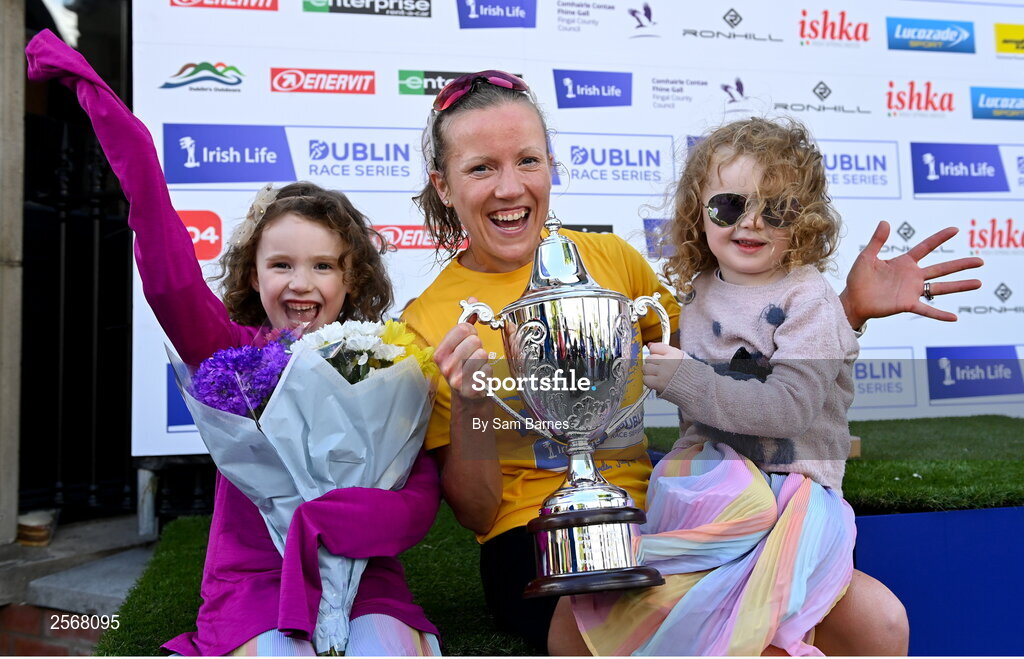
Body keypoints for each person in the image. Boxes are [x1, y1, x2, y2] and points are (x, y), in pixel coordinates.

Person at [401, 71, 983, 654]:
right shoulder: (429, 321)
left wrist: (844, 310)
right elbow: (478, 514)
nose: (510, 187)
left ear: (551, 165)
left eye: (528, 160)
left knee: (879, 622)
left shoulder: (612, 261)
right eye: (481, 168)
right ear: (444, 185)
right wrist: (473, 402)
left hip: (672, 512)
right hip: (542, 539)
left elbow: (727, 368)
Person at [25, 30, 442, 656]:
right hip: (255, 586)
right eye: (282, 265)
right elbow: (168, 280)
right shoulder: (232, 351)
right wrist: (106, 110)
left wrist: (332, 522)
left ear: (351, 277)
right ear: (253, 274)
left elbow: (419, 496)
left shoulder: (387, 361)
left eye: (324, 266)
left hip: (367, 580)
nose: (302, 284)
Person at [558, 116, 860, 655]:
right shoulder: (694, 292)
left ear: (806, 220)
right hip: (706, 486)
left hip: (789, 494)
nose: (751, 223)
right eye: (729, 206)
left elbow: (789, 409)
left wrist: (687, 380)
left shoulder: (810, 298)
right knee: (593, 612)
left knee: (749, 630)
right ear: (699, 211)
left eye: (777, 209)